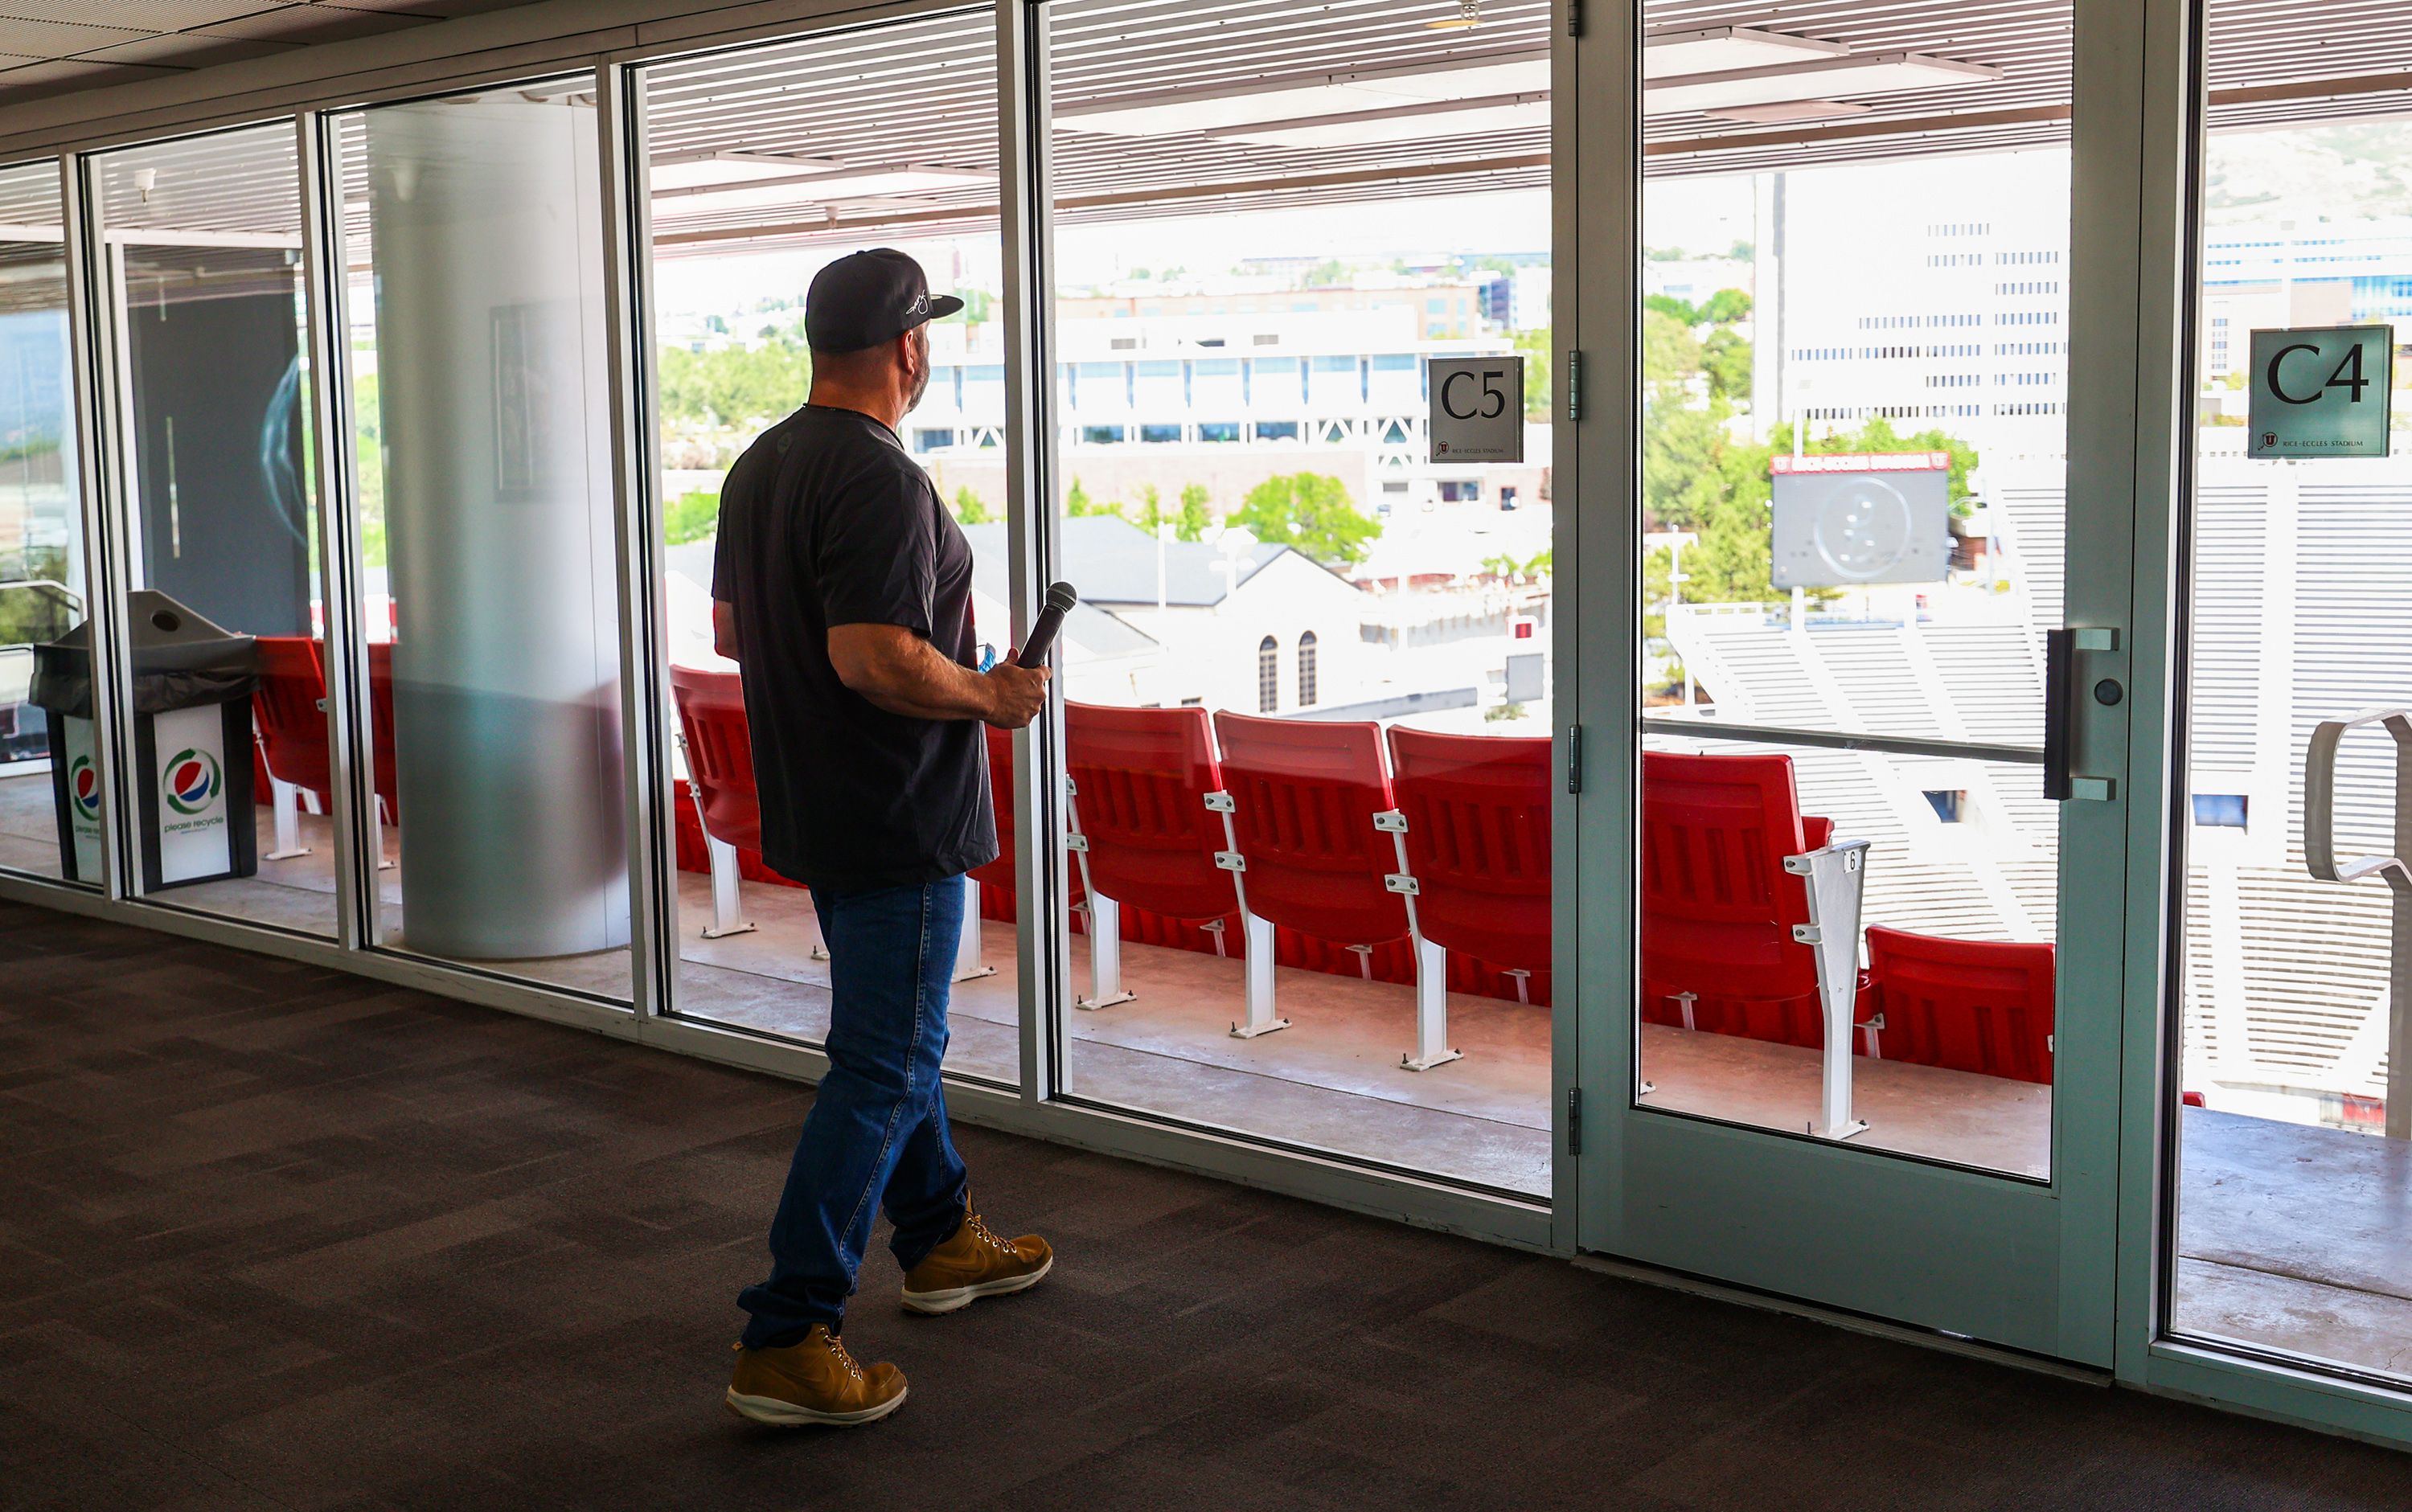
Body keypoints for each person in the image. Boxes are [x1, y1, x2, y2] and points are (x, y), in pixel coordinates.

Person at [709, 248, 1053, 1428]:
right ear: (911, 347)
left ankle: (941, 1234)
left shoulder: (760, 467)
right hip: (898, 810)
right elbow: (872, 655)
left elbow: (733, 626)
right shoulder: (881, 479)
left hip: (822, 803)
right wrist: (988, 693)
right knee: (885, 1062)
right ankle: (791, 1328)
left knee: (895, 1037)